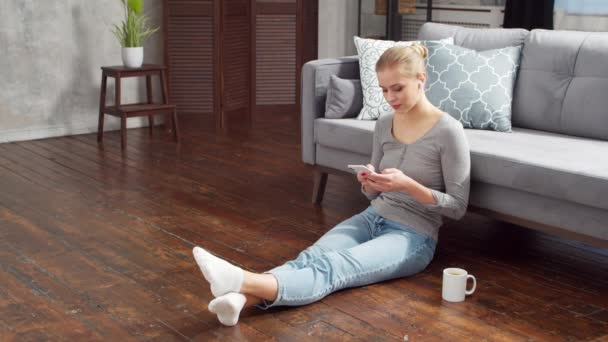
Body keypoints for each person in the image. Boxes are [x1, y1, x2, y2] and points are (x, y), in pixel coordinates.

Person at [192, 44, 471, 326]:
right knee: (312, 256)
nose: (390, 97)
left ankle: (239, 279)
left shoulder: (448, 130)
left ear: (421, 80)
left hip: (413, 235)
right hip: (374, 216)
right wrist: (369, 181)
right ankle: (239, 300)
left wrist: (408, 185)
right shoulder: (384, 123)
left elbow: (458, 208)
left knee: (334, 267)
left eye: (397, 88)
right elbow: (372, 193)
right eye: (384, 89)